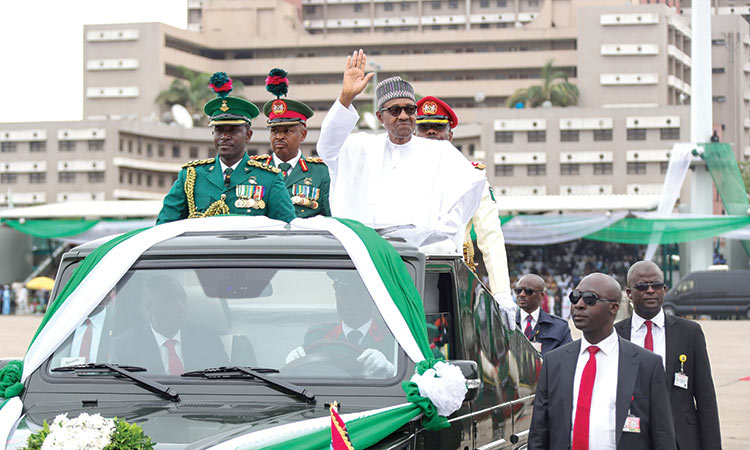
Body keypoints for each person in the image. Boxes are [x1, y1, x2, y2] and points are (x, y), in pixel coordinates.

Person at [316, 50, 485, 251]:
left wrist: (438, 238)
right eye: (395, 110)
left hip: (421, 254)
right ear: (380, 117)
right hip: (369, 252)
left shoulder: (440, 152)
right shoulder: (361, 147)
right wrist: (346, 97)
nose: (404, 116)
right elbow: (327, 148)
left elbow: (469, 188)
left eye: (410, 109)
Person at [529, 273, 676, 450]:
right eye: (575, 298)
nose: (579, 305)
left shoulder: (647, 364)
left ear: (614, 308)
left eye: (590, 299)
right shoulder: (554, 362)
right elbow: (539, 432)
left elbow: (663, 436)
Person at [414, 95, 516, 327]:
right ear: (413, 135)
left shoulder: (471, 176)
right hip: (409, 266)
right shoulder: (397, 171)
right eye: (424, 128)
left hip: (453, 271)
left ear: (450, 136)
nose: (431, 133)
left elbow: (491, 236)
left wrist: (501, 292)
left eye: (438, 128)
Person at [156, 72, 295, 224]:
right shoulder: (191, 176)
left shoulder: (269, 178)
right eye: (219, 130)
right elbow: (165, 226)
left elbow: (287, 229)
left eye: (233, 130)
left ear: (248, 135)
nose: (225, 136)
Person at [615, 261, 721, 450]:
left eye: (655, 285)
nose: (650, 291)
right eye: (641, 286)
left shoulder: (690, 332)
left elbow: (706, 397)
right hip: (630, 438)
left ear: (664, 289)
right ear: (629, 293)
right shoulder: (615, 335)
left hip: (680, 438)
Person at [250, 68, 331, 218]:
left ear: (303, 135)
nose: (279, 136)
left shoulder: (320, 172)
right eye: (274, 131)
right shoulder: (254, 169)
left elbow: (328, 218)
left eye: (287, 131)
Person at [285, 271, 396, 378]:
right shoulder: (318, 336)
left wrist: (391, 370)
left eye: (358, 296)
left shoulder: (393, 338)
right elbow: (306, 375)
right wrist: (293, 364)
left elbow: (410, 381)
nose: (349, 303)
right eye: (344, 295)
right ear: (336, 295)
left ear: (371, 299)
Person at [111, 275, 228, 374]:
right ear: (148, 307)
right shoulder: (124, 347)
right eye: (169, 300)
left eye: (182, 298)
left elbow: (224, 384)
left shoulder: (208, 340)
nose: (181, 307)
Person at [514, 274, 572, 355]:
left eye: (528, 291)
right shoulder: (505, 323)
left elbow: (567, 358)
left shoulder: (560, 327)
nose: (521, 294)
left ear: (541, 295)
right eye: (518, 290)